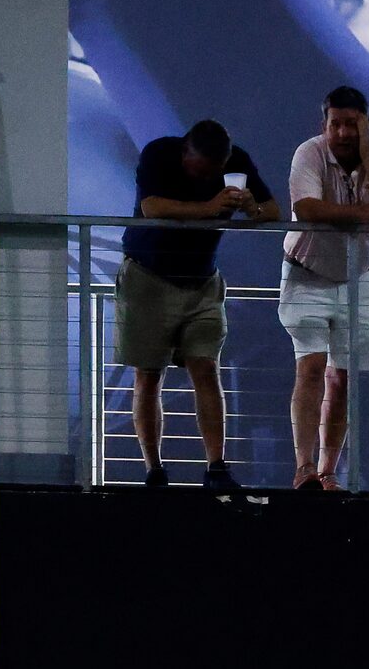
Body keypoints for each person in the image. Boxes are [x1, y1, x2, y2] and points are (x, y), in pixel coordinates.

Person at [118, 119, 276, 493]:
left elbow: (273, 210)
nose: (206, 176)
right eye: (200, 170)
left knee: (206, 368)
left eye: (213, 172)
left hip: (202, 282)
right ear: (186, 152)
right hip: (148, 277)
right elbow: (151, 206)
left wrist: (252, 206)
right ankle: (154, 468)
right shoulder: (158, 153)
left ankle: (216, 466)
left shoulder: (237, 162)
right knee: (148, 375)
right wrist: (210, 207)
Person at [281, 88, 369, 490]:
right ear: (324, 125)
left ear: (368, 124)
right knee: (311, 366)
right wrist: (363, 212)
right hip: (306, 272)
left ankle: (328, 472)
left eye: (352, 123)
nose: (342, 132)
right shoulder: (309, 152)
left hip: (359, 277)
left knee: (344, 378)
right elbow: (307, 208)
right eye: (335, 123)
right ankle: (304, 469)